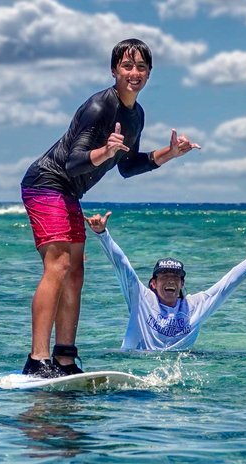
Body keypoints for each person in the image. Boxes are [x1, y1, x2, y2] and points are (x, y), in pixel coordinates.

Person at [20, 39, 201, 377]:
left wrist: (170, 153)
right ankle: (37, 359)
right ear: (114, 70)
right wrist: (104, 151)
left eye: (141, 67)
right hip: (46, 184)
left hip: (69, 194)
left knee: (75, 274)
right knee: (58, 267)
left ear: (149, 73)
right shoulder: (98, 108)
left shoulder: (136, 116)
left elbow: (128, 166)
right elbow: (74, 161)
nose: (134, 73)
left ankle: (64, 358)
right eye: (127, 66)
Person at [85, 211, 246, 351]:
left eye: (175, 277)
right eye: (164, 277)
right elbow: (122, 265)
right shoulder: (140, 297)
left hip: (176, 367)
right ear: (153, 283)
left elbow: (229, 282)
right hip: (135, 362)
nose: (170, 280)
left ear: (181, 283)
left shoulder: (195, 306)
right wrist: (102, 235)